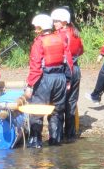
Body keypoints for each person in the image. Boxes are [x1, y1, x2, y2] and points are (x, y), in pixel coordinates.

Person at [24, 14, 73, 147]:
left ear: (41, 28)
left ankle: (35, 142)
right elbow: (68, 62)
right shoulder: (60, 39)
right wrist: (68, 80)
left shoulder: (39, 42)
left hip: (44, 79)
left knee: (37, 110)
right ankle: (55, 141)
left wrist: (30, 85)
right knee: (57, 111)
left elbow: (36, 66)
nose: (35, 30)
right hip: (60, 79)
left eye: (36, 27)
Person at [52, 7, 85, 140]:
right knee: (71, 101)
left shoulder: (59, 35)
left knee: (59, 102)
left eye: (57, 21)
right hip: (75, 70)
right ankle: (70, 135)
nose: (54, 23)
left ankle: (58, 135)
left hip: (64, 70)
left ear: (64, 22)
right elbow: (81, 50)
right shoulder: (75, 32)